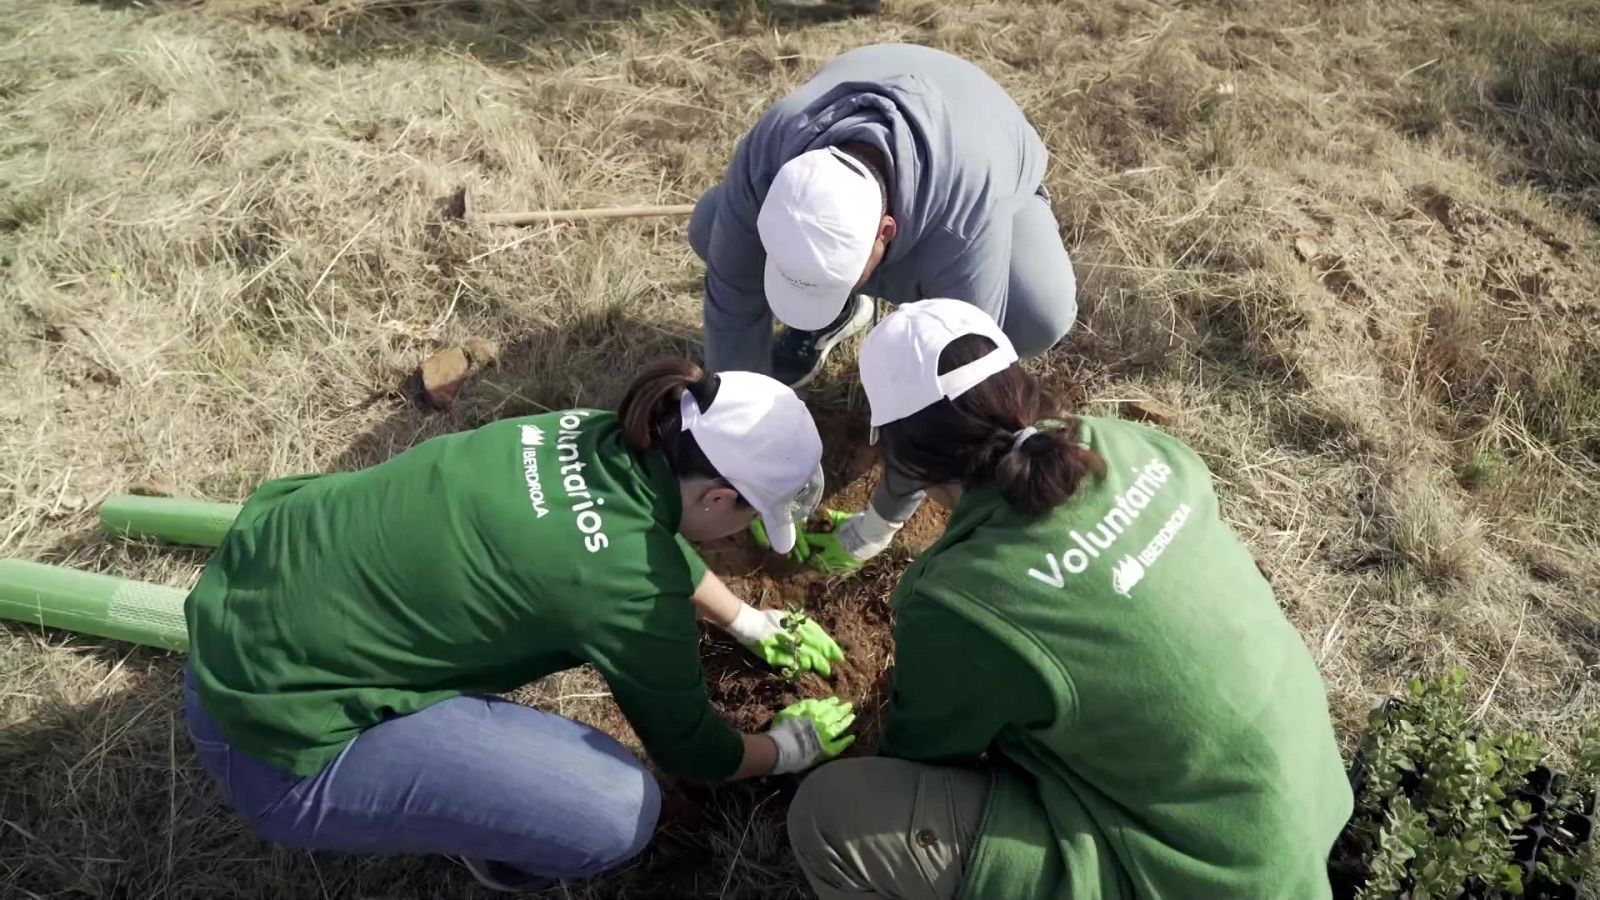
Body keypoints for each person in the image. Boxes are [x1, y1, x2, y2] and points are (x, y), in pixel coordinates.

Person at [181, 360, 856, 893]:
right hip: (274, 746)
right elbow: (697, 752)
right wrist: (788, 748)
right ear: (719, 498)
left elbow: (633, 528)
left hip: (245, 595)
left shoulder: (600, 432)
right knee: (619, 812)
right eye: (748, 518)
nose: (741, 534)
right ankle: (506, 849)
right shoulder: (633, 594)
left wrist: (743, 619)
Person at [785, 300, 1353, 899]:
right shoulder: (1134, 445)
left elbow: (921, 755)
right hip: (1307, 796)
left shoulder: (960, 595)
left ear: (910, 459)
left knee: (831, 816)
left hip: (1205, 876)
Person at [689, 43, 1079, 572]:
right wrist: (746, 455)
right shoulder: (771, 152)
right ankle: (836, 313)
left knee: (1039, 313)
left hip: (983, 159)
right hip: (896, 178)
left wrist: (881, 521)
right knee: (712, 226)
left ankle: (845, 295)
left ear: (884, 235)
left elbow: (954, 386)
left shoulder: (963, 222)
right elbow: (732, 307)